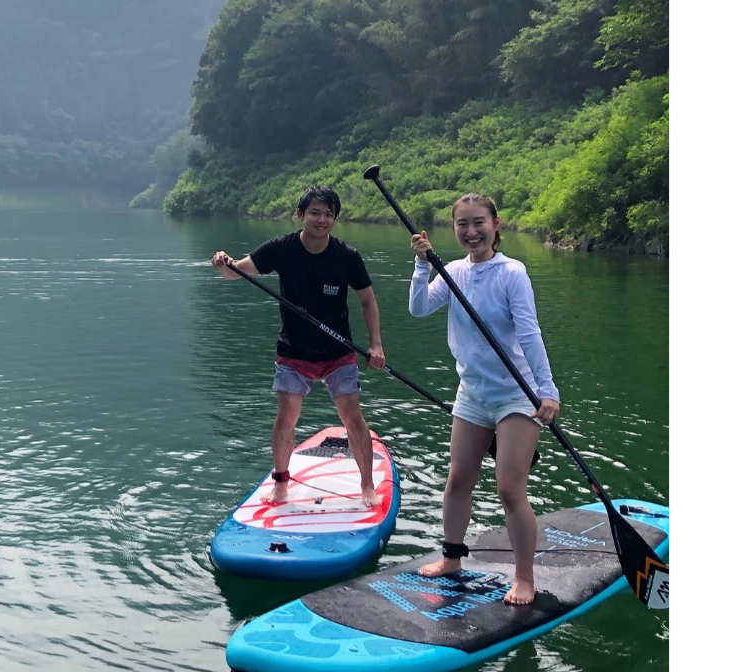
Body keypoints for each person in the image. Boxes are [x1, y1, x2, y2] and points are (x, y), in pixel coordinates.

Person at [407, 192, 560, 606]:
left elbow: (529, 334)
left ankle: (524, 577)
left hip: (516, 394)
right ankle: (452, 558)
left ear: (496, 225)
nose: (471, 231)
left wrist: (547, 391)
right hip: (472, 393)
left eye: (479, 223)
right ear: (453, 229)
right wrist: (422, 265)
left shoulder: (513, 272)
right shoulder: (451, 271)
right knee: (458, 480)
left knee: (510, 489)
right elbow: (419, 308)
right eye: (462, 224)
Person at [211, 185, 386, 509]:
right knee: (285, 418)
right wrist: (224, 261)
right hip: (293, 352)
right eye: (315, 213)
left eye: (329, 214)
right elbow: (236, 273)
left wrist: (375, 345)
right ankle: (281, 484)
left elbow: (367, 301)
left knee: (353, 417)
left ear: (335, 219)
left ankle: (366, 484)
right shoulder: (282, 248)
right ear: (301, 215)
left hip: (338, 352)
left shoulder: (347, 256)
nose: (322, 219)